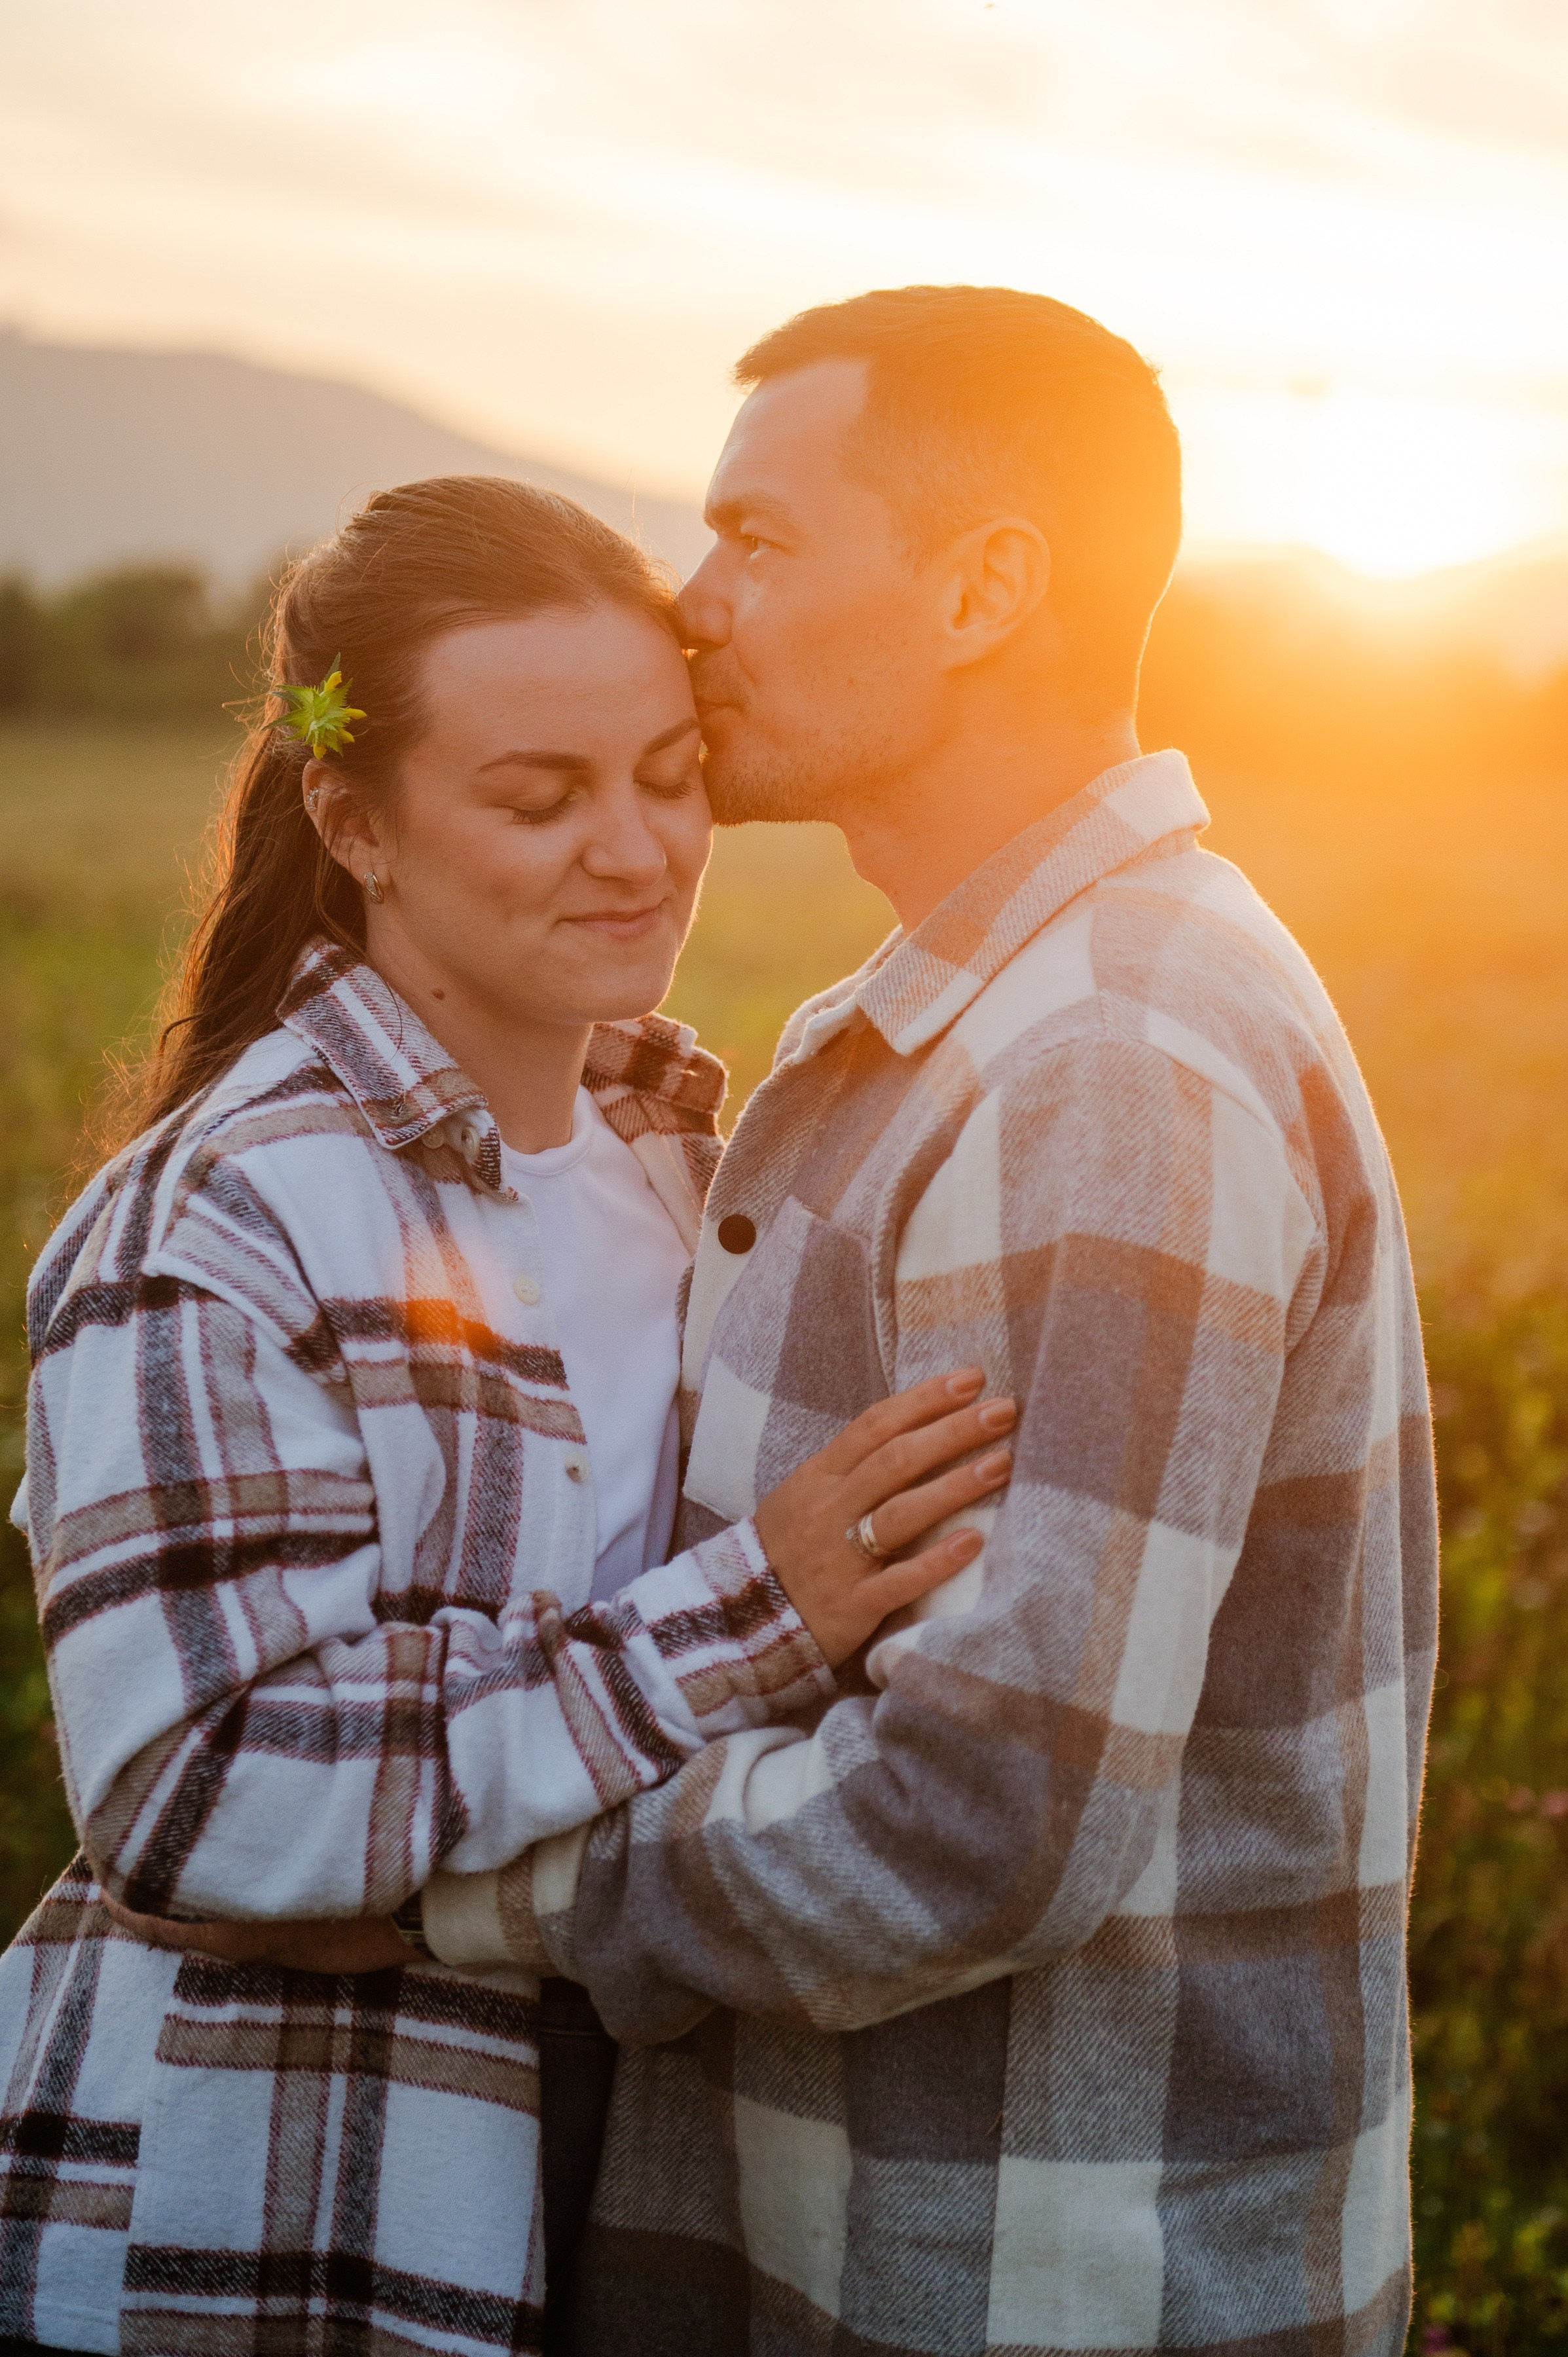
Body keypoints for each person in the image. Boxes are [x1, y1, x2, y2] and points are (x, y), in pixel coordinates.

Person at [401, 288, 1434, 2355]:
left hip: (1029, 2284)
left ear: (982, 589)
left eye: (757, 542)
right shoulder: (968, 1020)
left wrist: (448, 1882)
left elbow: (976, 1821)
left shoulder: (1103, 1061)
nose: (692, 608)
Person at [0, 474, 1019, 2357]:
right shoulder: (218, 1221)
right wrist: (745, 1620)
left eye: (665, 771)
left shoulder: (685, 1163)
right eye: (539, 798)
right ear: (353, 819)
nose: (632, 850)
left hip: (624, 2187)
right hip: (281, 2197)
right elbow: (188, 1789)